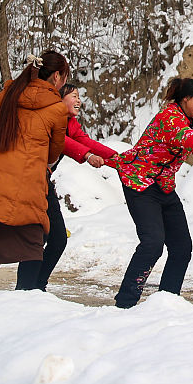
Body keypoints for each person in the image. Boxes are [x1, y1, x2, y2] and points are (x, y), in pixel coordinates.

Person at [105, 78, 193, 309]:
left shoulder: (192, 120)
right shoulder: (170, 117)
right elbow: (190, 140)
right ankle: (125, 303)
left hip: (164, 186)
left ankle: (167, 302)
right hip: (140, 181)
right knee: (152, 244)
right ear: (185, 98)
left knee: (182, 247)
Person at [0, 51, 70, 291]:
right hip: (27, 185)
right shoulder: (57, 109)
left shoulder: (11, 92)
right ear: (57, 76)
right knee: (31, 245)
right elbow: (53, 153)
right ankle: (24, 299)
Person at [30, 83, 119, 292]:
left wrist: (118, 159)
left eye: (79, 96)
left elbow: (85, 141)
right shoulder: (49, 119)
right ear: (59, 100)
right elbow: (64, 143)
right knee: (39, 238)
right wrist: (87, 156)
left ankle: (37, 286)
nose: (78, 100)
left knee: (57, 238)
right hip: (30, 182)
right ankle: (29, 287)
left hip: (44, 183)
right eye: (73, 96)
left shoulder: (71, 123)